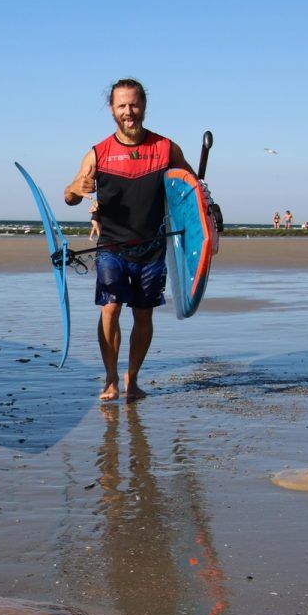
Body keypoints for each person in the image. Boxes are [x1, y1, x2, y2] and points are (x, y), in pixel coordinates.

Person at [63, 78, 194, 402]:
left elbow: (191, 192)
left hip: (151, 247)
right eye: (122, 105)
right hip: (111, 246)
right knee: (110, 308)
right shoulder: (98, 152)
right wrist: (77, 190)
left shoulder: (166, 148)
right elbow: (69, 195)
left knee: (144, 315)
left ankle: (131, 380)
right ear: (112, 109)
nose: (128, 111)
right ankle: (110, 379)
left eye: (134, 104)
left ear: (144, 105)